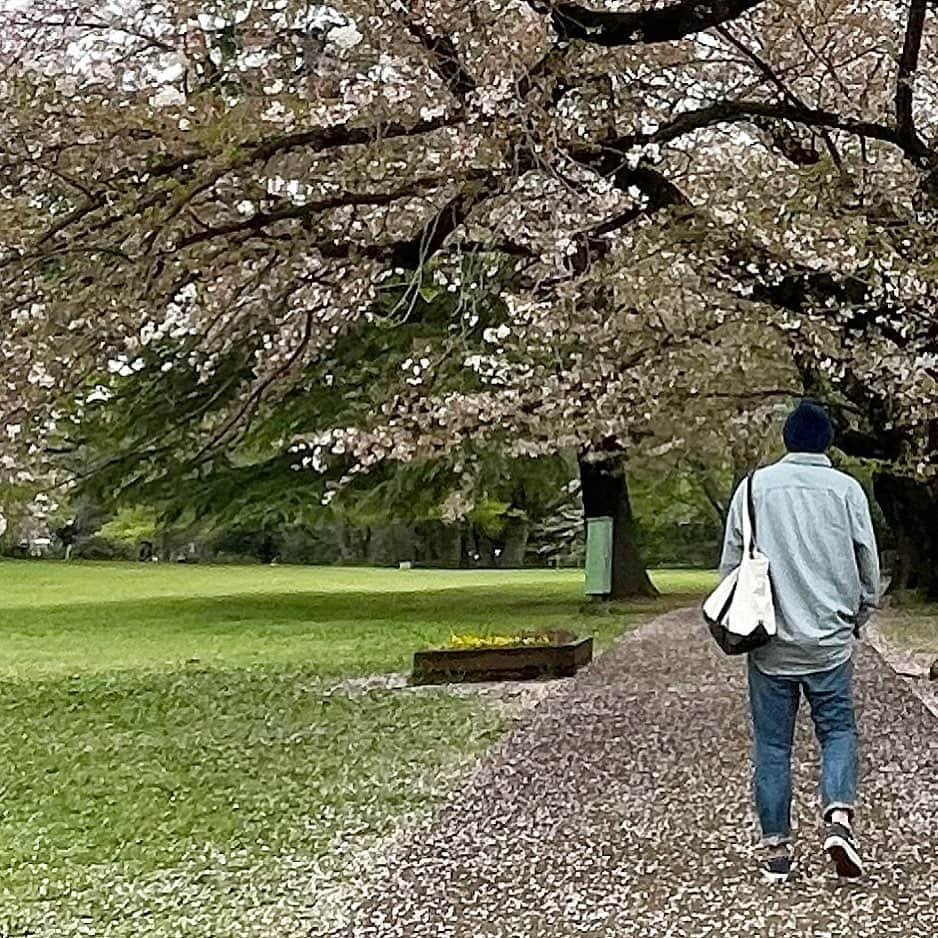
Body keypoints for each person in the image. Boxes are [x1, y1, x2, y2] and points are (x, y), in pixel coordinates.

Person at [719, 399, 881, 882]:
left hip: (771, 642)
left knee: (773, 746)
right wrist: (860, 612)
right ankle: (837, 817)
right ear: (827, 442)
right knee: (837, 731)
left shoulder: (753, 488)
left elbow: (731, 565)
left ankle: (776, 851)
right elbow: (867, 560)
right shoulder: (847, 490)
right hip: (829, 640)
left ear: (787, 441)